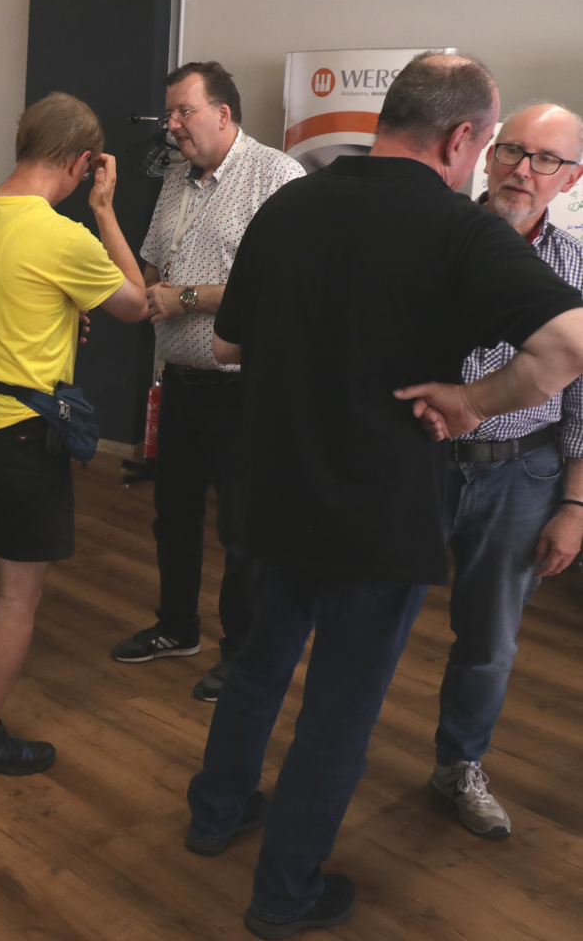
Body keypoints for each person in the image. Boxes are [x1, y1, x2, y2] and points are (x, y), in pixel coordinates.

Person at [186, 53, 583, 939]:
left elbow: (227, 343)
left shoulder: (289, 203)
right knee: (339, 707)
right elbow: (571, 345)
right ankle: (284, 895)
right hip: (380, 508)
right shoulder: (458, 230)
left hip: (278, 487)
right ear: (461, 138)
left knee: (257, 667)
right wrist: (472, 401)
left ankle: (216, 814)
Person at [0, 93, 150, 774]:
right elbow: (136, 303)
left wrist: (59, 313)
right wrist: (105, 210)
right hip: (21, 433)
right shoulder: (63, 235)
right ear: (81, 162)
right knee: (18, 593)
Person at [108, 61, 305, 703]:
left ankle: (242, 655)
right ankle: (176, 627)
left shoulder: (276, 176)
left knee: (243, 531)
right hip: (178, 383)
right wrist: (140, 283)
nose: (171, 125)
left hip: (242, 389)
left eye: (183, 112)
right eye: (169, 113)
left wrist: (184, 297)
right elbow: (151, 265)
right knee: (174, 515)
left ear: (223, 113)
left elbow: (277, 285)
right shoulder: (175, 178)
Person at [429, 102, 583, 839]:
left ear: (572, 178)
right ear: (486, 155)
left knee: (490, 643)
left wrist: (575, 506)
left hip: (523, 477)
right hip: (420, 466)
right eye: (513, 150)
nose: (524, 169)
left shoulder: (577, 268)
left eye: (546, 159)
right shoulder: (434, 241)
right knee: (369, 616)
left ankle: (459, 764)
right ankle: (336, 758)